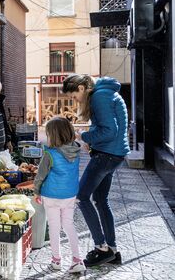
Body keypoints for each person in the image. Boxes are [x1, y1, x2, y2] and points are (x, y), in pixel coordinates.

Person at [62, 75, 130, 267]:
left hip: (106, 155)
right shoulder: (106, 93)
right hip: (113, 154)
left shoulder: (99, 96)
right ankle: (113, 251)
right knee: (100, 200)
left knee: (81, 197)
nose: (74, 99)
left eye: (74, 95)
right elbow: (109, 129)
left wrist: (84, 136)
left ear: (82, 88)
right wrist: (91, 141)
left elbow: (109, 131)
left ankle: (101, 248)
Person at [34, 117, 85, 273]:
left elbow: (40, 176)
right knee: (68, 225)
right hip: (70, 195)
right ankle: (77, 259)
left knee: (54, 227)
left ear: (54, 136)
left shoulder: (49, 154)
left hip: (52, 196)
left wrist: (36, 191)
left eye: (48, 134)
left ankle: (56, 260)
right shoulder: (76, 151)